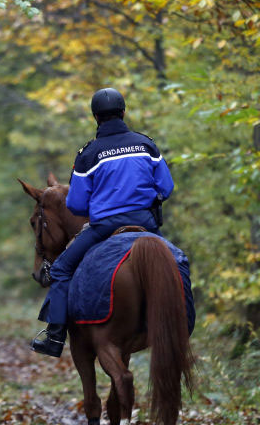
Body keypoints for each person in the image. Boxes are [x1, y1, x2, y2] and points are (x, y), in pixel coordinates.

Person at [30, 88, 174, 357]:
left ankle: (55, 335)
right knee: (178, 263)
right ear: (123, 112)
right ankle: (184, 324)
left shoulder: (88, 154)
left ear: (96, 117)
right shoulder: (147, 144)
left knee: (61, 269)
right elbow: (166, 187)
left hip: (104, 226)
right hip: (146, 223)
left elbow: (75, 204)